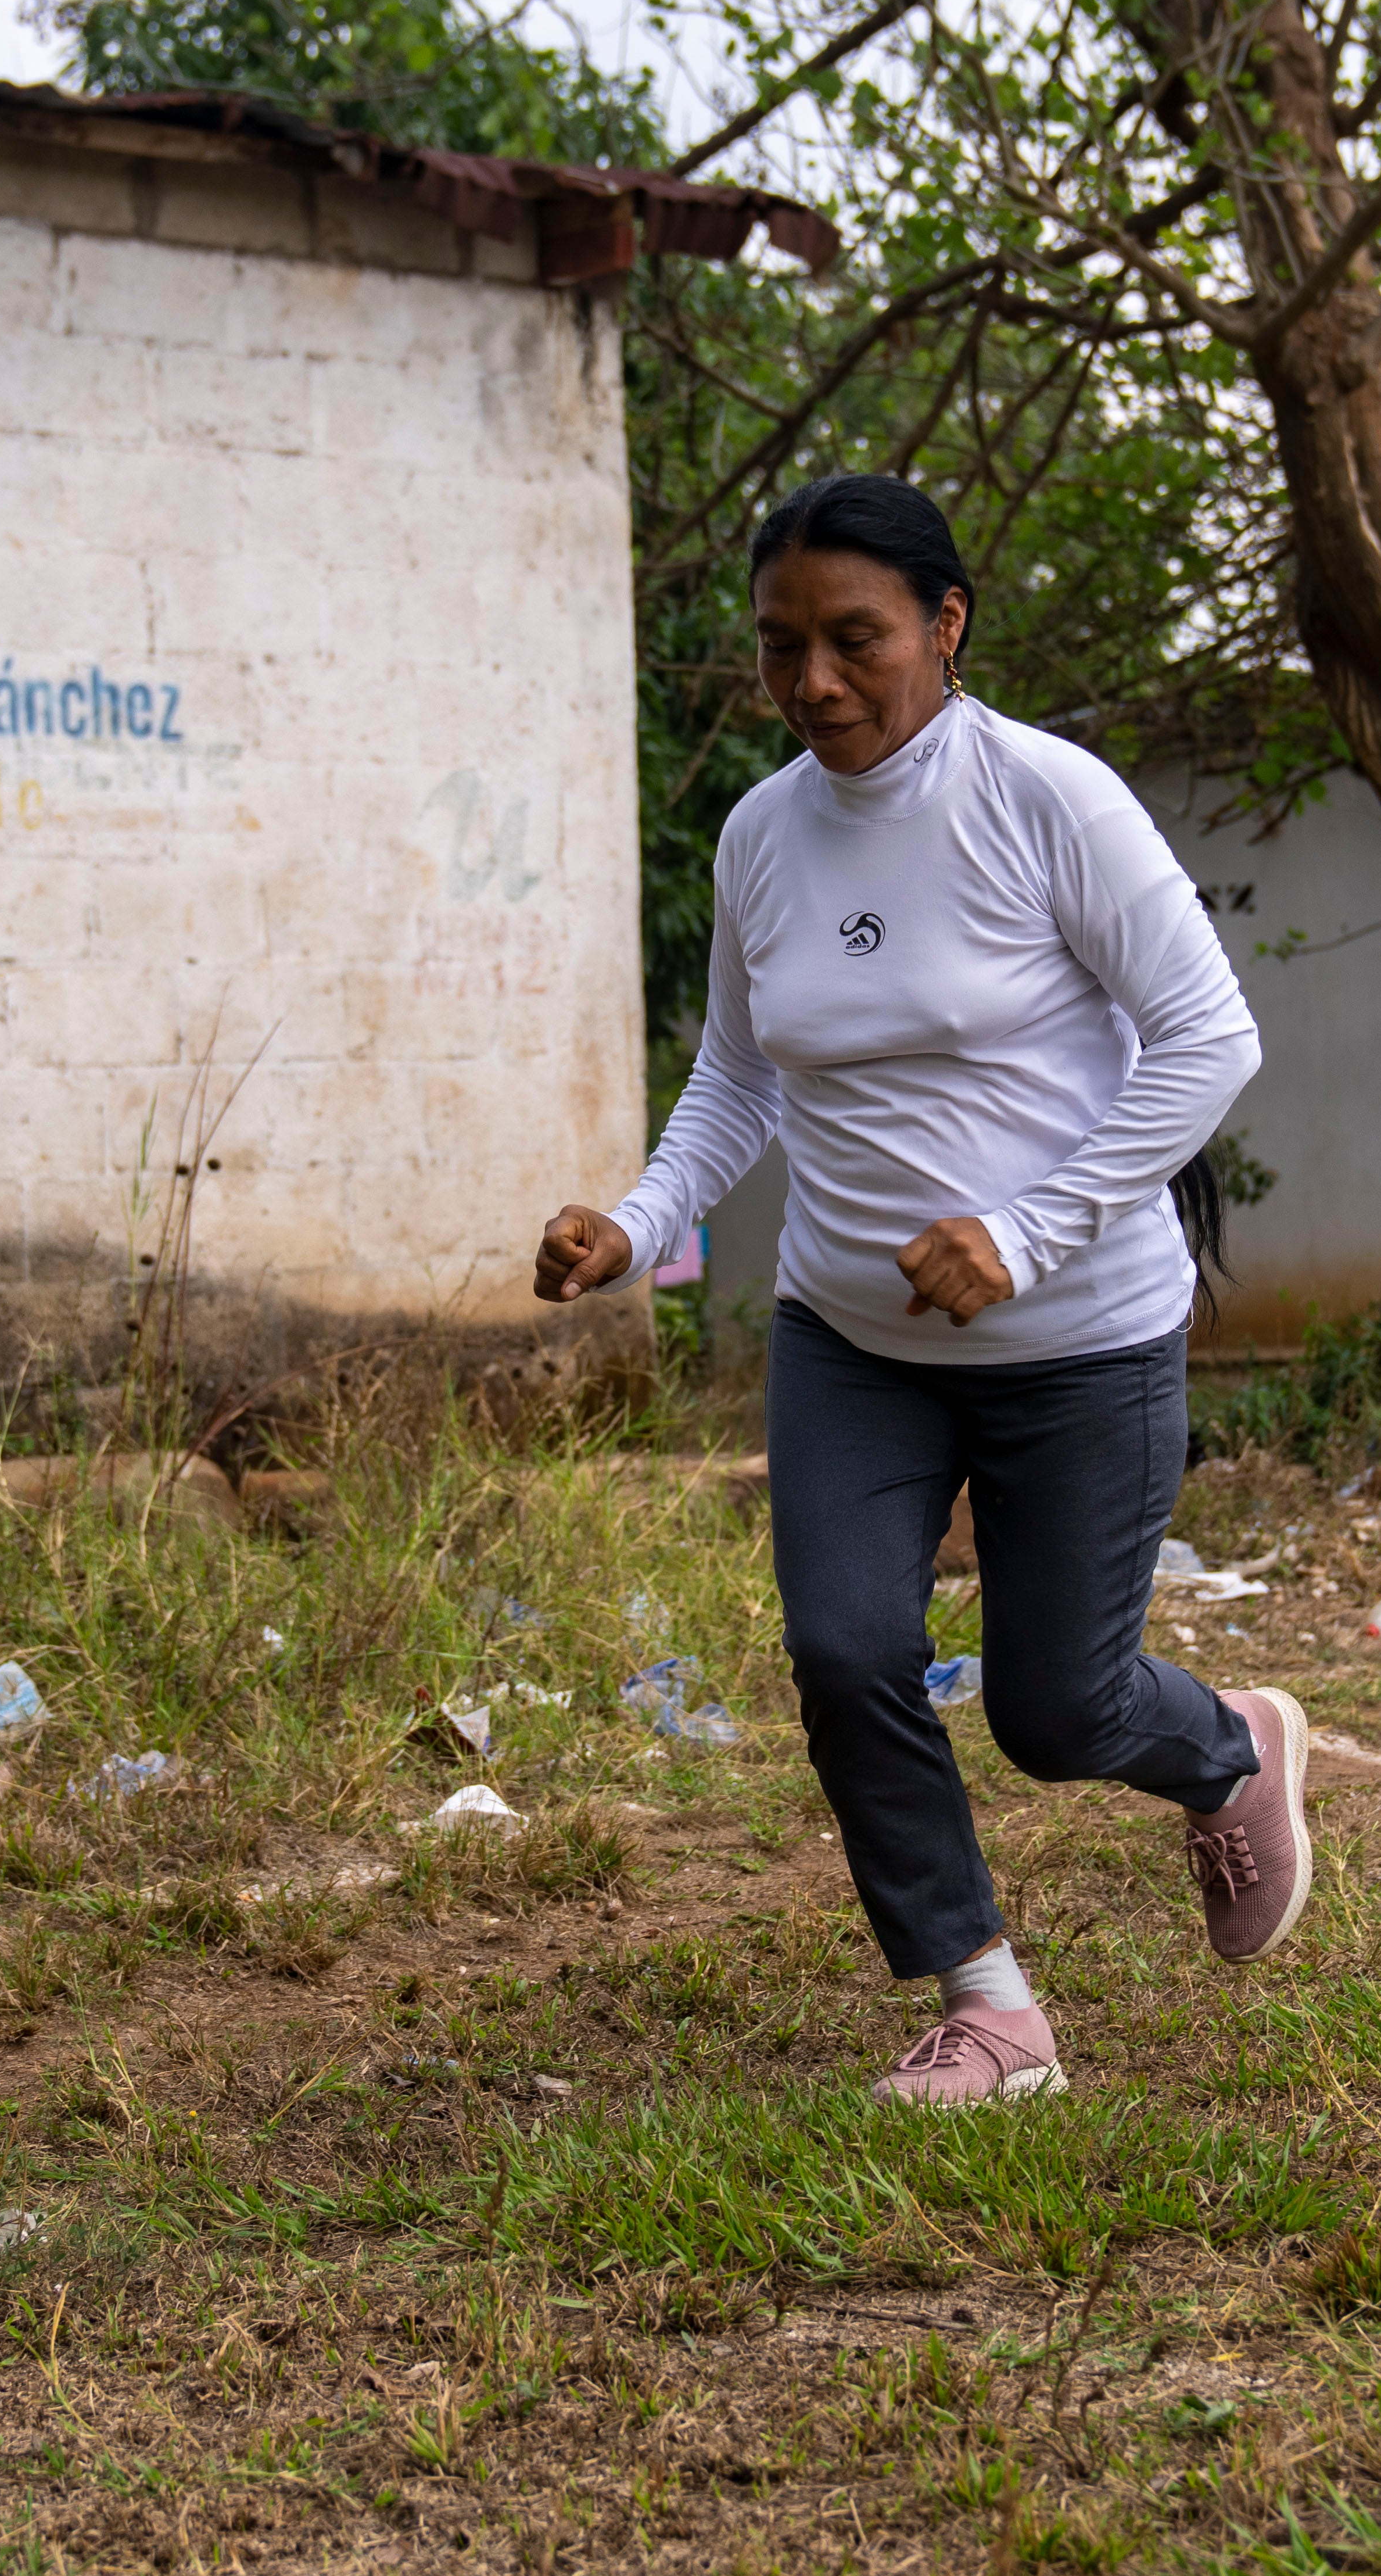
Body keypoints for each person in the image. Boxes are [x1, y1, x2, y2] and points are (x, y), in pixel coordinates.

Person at [534, 473, 1313, 2105]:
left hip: (1081, 1337)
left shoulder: (1051, 800)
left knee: (1056, 1707)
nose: (813, 682)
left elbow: (1210, 1039)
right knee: (845, 1649)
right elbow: (739, 1079)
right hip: (851, 1338)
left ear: (945, 627)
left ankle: (1231, 1750)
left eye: (853, 640)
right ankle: (988, 2003)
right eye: (780, 649)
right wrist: (638, 1220)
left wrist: (1027, 1230)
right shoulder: (763, 833)